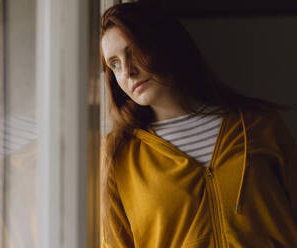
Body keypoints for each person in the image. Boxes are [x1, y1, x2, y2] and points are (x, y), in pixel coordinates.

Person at [99, 2, 297, 248]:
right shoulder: (120, 155)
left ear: (165, 44)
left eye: (134, 52)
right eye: (114, 64)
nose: (127, 71)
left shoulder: (259, 127)